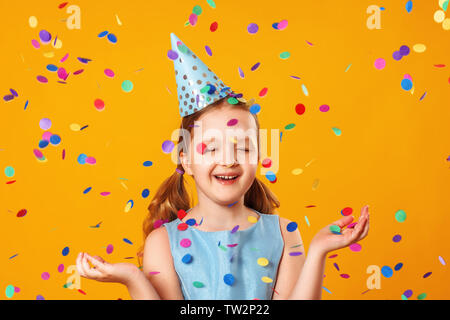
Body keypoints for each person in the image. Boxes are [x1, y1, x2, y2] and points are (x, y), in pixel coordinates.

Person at [76, 33, 370, 300]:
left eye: (242, 147)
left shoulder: (284, 233)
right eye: (212, 147)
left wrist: (318, 250)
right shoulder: (163, 242)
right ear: (186, 159)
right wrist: (131, 277)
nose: (228, 159)